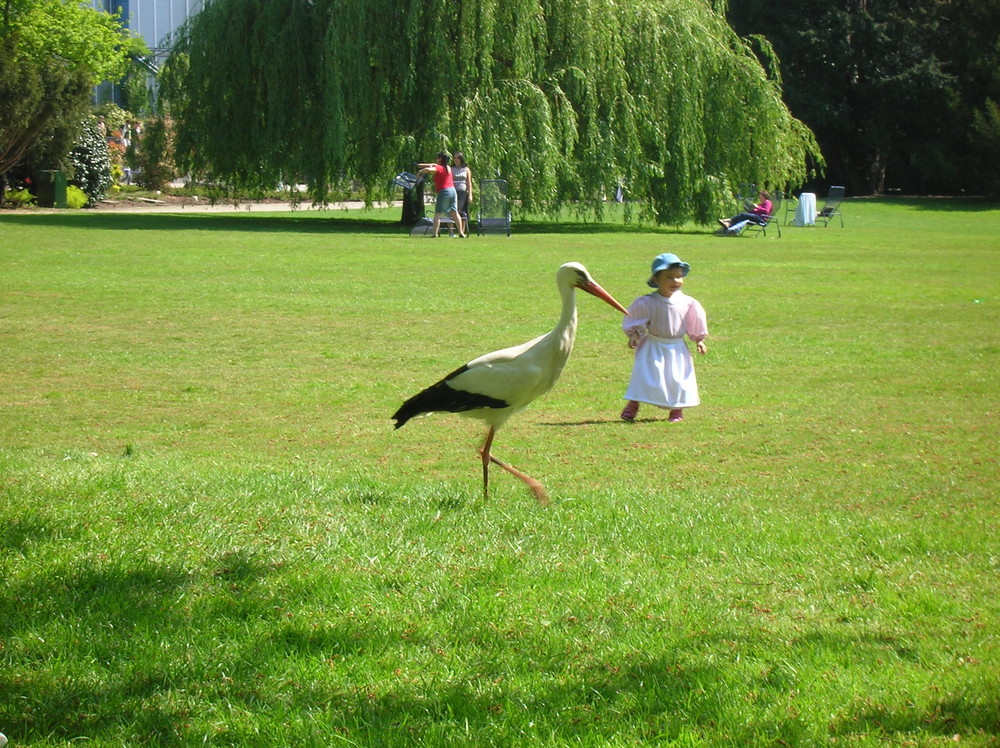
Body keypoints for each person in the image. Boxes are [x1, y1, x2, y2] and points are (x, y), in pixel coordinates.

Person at [620, 252, 708, 423]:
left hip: (676, 347)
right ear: (656, 279)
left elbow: (694, 321)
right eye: (669, 277)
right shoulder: (648, 302)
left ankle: (676, 410)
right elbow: (638, 318)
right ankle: (633, 405)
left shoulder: (688, 303)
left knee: (677, 378)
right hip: (653, 345)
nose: (675, 281)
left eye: (679, 277)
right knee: (645, 375)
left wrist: (699, 339)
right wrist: (634, 335)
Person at [416, 151, 467, 238]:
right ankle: (461, 233)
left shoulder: (439, 168)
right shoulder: (448, 167)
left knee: (438, 213)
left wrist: (420, 171)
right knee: (454, 213)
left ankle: (434, 234)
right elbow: (431, 165)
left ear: (440, 159)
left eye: (437, 157)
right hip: (453, 191)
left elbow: (429, 169)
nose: (436, 159)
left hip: (444, 191)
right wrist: (420, 165)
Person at [451, 151, 473, 236]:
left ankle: (462, 231)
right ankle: (452, 231)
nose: (456, 160)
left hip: (463, 191)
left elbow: (469, 182)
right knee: (453, 210)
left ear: (461, 159)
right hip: (453, 191)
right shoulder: (451, 168)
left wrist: (470, 194)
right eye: (454, 158)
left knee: (463, 211)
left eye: (457, 158)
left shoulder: (466, 169)